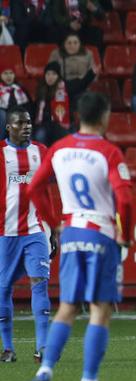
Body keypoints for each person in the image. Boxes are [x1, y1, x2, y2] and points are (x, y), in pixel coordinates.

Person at [27, 92, 132, 381]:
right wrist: (126, 234)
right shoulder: (109, 151)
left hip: (72, 232)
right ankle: (88, 379)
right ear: (103, 117)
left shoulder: (59, 148)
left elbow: (34, 188)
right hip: (100, 233)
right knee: (100, 308)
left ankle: (45, 369)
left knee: (67, 306)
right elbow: (124, 199)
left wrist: (54, 223)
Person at [0, 107, 51, 364]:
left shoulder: (40, 152)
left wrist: (52, 226)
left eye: (29, 122)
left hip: (35, 230)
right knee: (3, 290)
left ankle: (42, 347)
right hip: (5, 233)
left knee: (39, 283)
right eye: (20, 123)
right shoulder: (0, 153)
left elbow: (44, 192)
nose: (27, 126)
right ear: (9, 127)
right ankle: (8, 349)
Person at [48, 33, 96, 112]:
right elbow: (50, 73)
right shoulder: (56, 54)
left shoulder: (88, 54)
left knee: (86, 98)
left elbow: (93, 76)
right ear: (64, 44)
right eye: (69, 43)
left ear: (80, 44)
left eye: (75, 43)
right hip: (62, 88)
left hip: (82, 87)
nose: (72, 46)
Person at [34, 62, 70, 146]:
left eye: (54, 74)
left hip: (60, 123)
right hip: (44, 123)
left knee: (65, 135)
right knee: (40, 136)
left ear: (58, 76)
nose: (50, 77)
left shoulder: (64, 89)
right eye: (48, 74)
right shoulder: (41, 89)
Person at [0, 67, 31, 138]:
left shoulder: (20, 89)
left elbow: (28, 106)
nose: (9, 76)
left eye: (11, 73)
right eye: (5, 73)